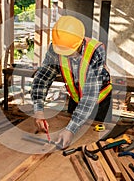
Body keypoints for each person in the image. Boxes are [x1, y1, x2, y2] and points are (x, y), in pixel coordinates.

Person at [31, 16, 112, 149]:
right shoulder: (56, 48)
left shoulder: (95, 51)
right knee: (71, 140)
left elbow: (90, 95)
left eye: (69, 51)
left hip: (99, 101)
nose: (65, 55)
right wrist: (38, 110)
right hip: (75, 98)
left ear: (80, 42)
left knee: (95, 142)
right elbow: (42, 79)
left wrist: (71, 129)